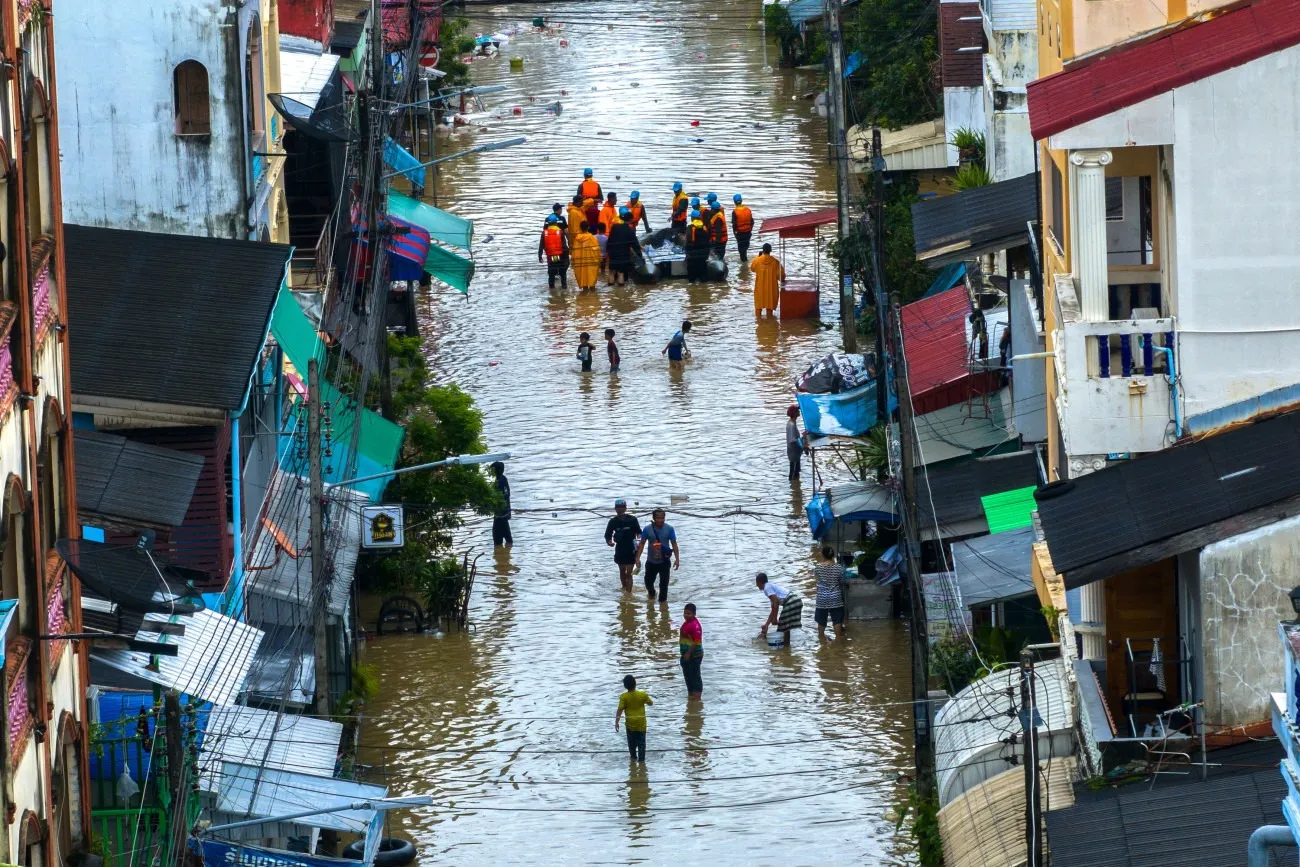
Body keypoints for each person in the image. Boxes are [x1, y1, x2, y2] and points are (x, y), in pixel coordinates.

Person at [634, 508, 679, 602]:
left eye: (662, 518)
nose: (660, 520)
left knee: (664, 585)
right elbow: (642, 543)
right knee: (648, 583)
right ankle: (652, 593)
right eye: (658, 518)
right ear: (654, 518)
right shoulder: (647, 529)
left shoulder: (669, 529)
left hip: (664, 561)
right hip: (651, 562)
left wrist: (677, 559)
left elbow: (674, 543)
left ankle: (663, 607)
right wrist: (637, 558)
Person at [756, 572, 802, 646]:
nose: (756, 585)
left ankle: (784, 648)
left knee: (782, 626)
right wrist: (767, 625)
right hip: (796, 600)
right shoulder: (771, 588)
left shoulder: (766, 588)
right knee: (786, 626)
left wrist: (775, 618)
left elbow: (776, 602)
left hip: (791, 601)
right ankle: (787, 646)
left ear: (758, 582)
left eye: (756, 583)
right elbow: (773, 609)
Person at [614, 674, 653, 763]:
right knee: (641, 745)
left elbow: (620, 710)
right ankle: (642, 763)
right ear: (635, 684)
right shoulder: (642, 695)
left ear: (625, 686)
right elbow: (651, 703)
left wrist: (616, 722)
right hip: (641, 724)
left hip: (630, 725)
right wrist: (645, 700)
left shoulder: (624, 697)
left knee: (631, 745)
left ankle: (633, 761)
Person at [605, 499, 641, 591]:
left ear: (625, 508)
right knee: (622, 571)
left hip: (631, 549)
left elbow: (639, 532)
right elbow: (607, 534)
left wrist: (639, 538)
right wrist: (609, 542)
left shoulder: (633, 519)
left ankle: (628, 594)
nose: (620, 509)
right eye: (618, 507)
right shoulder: (613, 521)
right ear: (615, 509)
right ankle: (624, 587)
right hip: (620, 549)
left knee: (629, 573)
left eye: (622, 507)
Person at [813, 546, 847, 641]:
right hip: (835, 597)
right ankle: (838, 641)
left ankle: (821, 640)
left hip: (822, 598)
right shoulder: (839, 567)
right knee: (837, 620)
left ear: (823, 555)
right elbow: (842, 581)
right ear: (833, 555)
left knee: (821, 620)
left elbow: (817, 580)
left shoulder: (818, 567)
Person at [606, 207, 643, 286]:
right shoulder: (630, 231)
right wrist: (640, 256)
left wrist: (608, 251)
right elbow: (635, 245)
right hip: (623, 254)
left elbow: (610, 240)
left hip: (613, 253)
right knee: (620, 272)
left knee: (612, 271)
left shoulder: (615, 227)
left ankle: (610, 289)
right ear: (630, 220)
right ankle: (621, 292)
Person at [751, 243, 784, 318]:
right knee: (769, 309)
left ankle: (759, 323)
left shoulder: (757, 260)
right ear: (770, 251)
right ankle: (769, 325)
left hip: (760, 288)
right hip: (771, 288)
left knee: (758, 308)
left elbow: (752, 269)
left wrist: (758, 257)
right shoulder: (775, 262)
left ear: (763, 250)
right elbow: (781, 275)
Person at [679, 603, 703, 701]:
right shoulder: (686, 623)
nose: (686, 615)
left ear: (694, 614)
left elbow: (697, 641)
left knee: (695, 677)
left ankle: (697, 699)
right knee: (688, 677)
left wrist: (689, 653)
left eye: (688, 614)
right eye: (684, 613)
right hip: (686, 655)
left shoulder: (695, 625)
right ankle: (691, 695)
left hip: (694, 656)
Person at [538, 214, 569, 290]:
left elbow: (541, 246)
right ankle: (564, 288)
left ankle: (552, 290)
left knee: (551, 274)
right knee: (563, 273)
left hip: (550, 257)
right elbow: (564, 246)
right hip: (560, 256)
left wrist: (540, 256)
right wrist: (567, 256)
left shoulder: (544, 233)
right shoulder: (560, 232)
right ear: (556, 223)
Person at [571, 221, 601, 291]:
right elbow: (596, 250)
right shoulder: (592, 238)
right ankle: (592, 298)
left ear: (580, 228)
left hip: (581, 264)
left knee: (583, 282)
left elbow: (574, 252)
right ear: (588, 227)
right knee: (592, 283)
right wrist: (599, 259)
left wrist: (574, 261)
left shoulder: (577, 239)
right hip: (591, 263)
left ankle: (584, 296)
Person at [684, 210, 711, 284]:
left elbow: (688, 242)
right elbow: (708, 241)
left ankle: (693, 287)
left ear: (692, 218)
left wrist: (687, 253)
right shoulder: (704, 227)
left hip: (693, 255)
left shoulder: (690, 228)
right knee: (703, 273)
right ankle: (704, 285)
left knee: (692, 277)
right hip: (703, 254)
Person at [491, 461, 512, 546]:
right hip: (504, 513)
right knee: (506, 536)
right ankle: (504, 554)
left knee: (497, 537)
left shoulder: (499, 481)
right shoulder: (503, 479)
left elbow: (499, 497)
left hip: (500, 514)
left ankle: (502, 556)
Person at [731, 194, 754, 261]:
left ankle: (743, 265)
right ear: (741, 201)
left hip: (740, 234)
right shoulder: (748, 210)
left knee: (741, 251)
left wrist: (735, 234)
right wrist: (750, 230)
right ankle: (745, 263)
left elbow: (734, 225)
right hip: (748, 233)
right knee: (745, 248)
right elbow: (752, 222)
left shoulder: (735, 211)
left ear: (734, 202)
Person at [785, 405, 805, 480]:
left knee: (796, 473)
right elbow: (792, 439)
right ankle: (793, 487)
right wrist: (802, 439)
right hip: (793, 453)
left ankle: (795, 489)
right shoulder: (791, 425)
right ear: (794, 413)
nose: (799, 411)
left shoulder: (792, 423)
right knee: (793, 475)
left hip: (795, 452)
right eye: (797, 410)